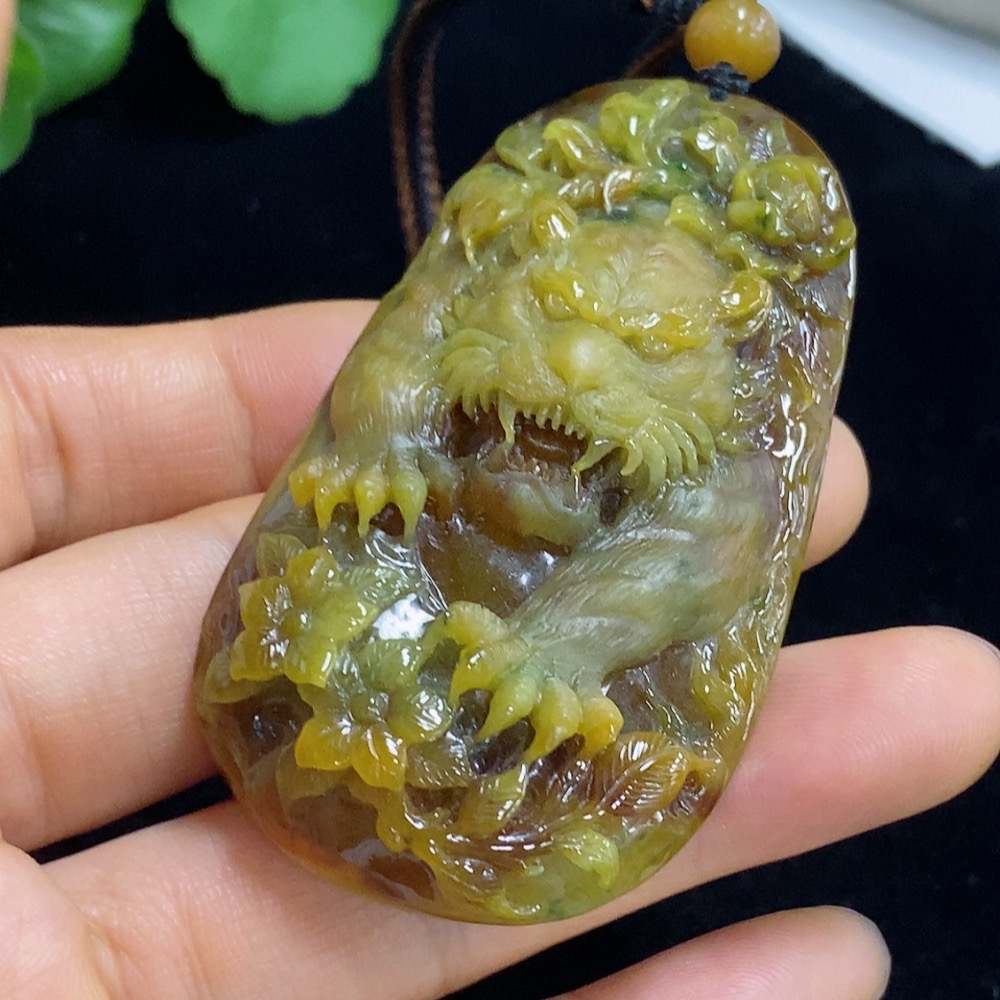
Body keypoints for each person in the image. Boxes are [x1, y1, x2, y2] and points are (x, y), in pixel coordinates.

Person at [1, 17, 998, 1000]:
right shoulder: (477, 287)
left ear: (734, 375)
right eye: (548, 307)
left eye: (649, 348)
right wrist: (383, 443)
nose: (575, 358)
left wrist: (562, 648)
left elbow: (711, 544)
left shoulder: (728, 466)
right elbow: (412, 345)